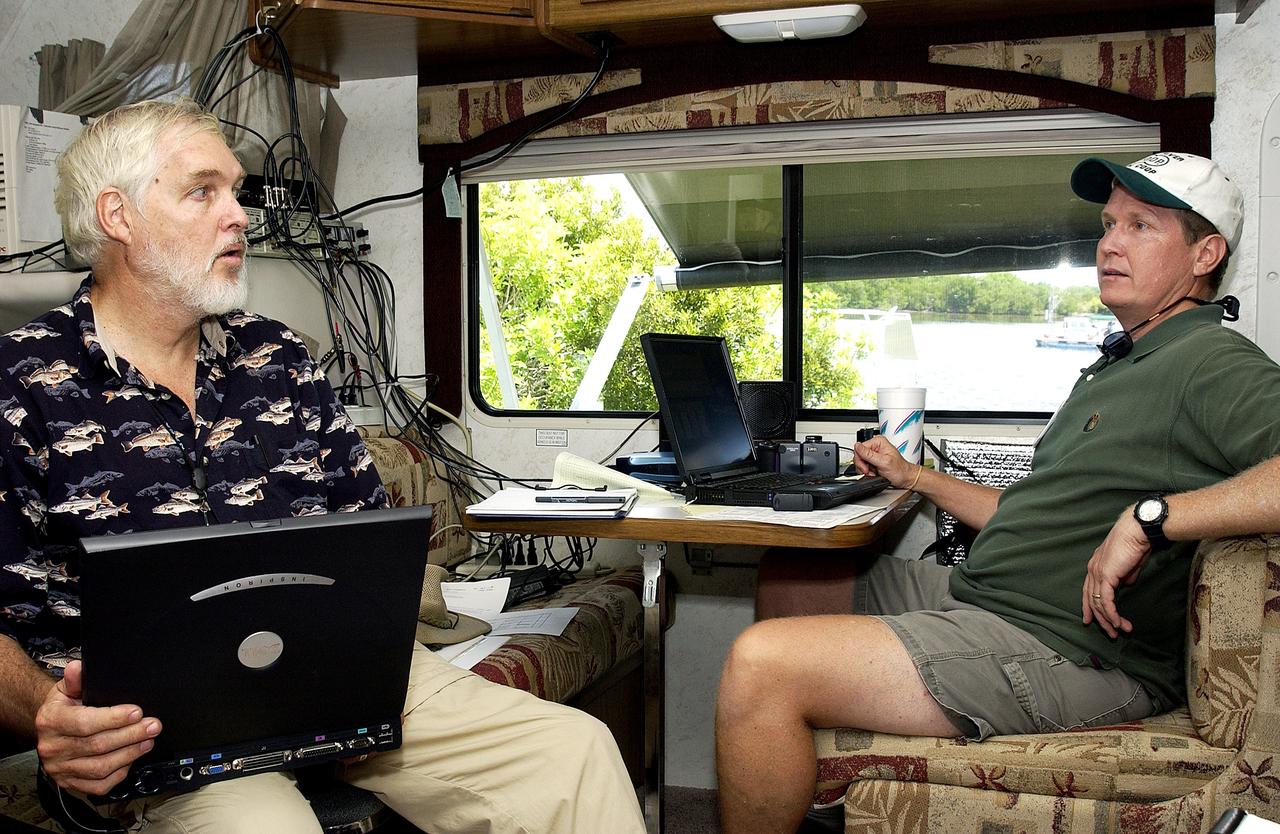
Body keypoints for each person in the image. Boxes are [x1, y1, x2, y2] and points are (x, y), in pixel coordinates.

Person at [0, 98, 645, 834]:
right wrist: (50, 714)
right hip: (154, 732)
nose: (239, 214)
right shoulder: (21, 384)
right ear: (117, 216)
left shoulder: (277, 357)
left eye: (236, 191)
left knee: (573, 753)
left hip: (339, 683)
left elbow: (371, 544)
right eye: (202, 191)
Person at [715, 151, 1280, 834]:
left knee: (762, 664)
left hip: (1070, 647)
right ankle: (793, 791)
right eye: (1107, 224)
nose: (1109, 242)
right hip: (985, 597)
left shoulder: (1209, 362)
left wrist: (1151, 518)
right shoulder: (1121, 364)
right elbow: (1030, 516)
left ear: (1205, 254)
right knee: (792, 577)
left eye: (1142, 226)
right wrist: (913, 476)